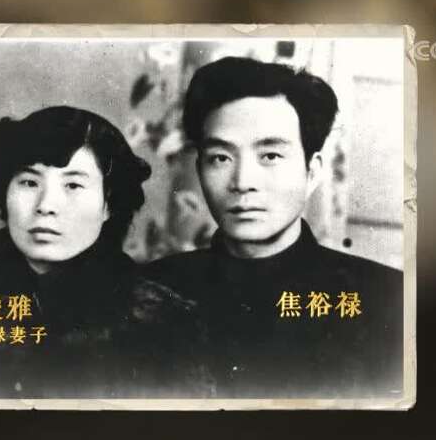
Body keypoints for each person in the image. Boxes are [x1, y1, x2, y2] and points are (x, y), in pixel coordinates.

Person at [143, 57, 404, 398]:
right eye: (221, 158)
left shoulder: (388, 298)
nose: (242, 182)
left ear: (313, 171)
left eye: (270, 156)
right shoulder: (148, 292)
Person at [0, 106, 199, 399]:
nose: (46, 205)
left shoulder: (165, 324)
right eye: (29, 182)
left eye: (73, 185)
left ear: (108, 204)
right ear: (5, 191)